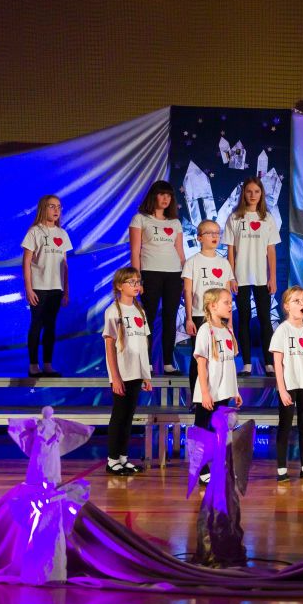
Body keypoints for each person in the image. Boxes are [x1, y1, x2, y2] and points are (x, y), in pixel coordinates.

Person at [224, 177, 281, 376]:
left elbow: (271, 250)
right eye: (249, 191)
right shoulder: (234, 218)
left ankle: (269, 363)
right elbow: (230, 251)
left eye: (257, 191)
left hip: (261, 278)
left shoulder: (267, 219)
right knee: (244, 319)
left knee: (265, 319)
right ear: (244, 194)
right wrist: (231, 277)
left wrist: (272, 277)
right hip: (240, 277)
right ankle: (246, 363)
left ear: (261, 194)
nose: (253, 195)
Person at [128, 180, 185, 375]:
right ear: (154, 196)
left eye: (169, 195)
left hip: (174, 274)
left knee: (170, 318)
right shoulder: (140, 219)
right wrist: (136, 279)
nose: (166, 199)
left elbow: (180, 251)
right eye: (162, 194)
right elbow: (135, 252)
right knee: (148, 318)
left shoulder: (175, 223)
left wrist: (185, 275)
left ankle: (168, 363)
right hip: (150, 273)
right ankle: (147, 363)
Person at [103, 267, 152, 476]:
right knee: (119, 416)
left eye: (138, 281)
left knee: (129, 416)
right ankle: (112, 459)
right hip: (122, 373)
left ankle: (123, 457)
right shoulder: (113, 311)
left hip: (136, 373)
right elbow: (109, 346)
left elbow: (143, 345)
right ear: (119, 286)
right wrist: (115, 377)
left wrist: (146, 374)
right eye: (131, 282)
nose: (136, 285)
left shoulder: (140, 311)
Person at [270, 286, 303, 482]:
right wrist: (282, 389)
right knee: (285, 426)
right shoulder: (282, 330)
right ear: (286, 306)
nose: (302, 304)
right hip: (289, 385)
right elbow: (277, 362)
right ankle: (282, 469)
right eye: (297, 301)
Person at [182, 220, 237, 401]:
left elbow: (227, 294)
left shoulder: (224, 263)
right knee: (199, 358)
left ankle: (220, 396)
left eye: (217, 233)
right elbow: (188, 292)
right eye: (210, 233)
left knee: (220, 357)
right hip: (200, 315)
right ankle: (197, 398)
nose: (215, 236)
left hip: (220, 318)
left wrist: (229, 320)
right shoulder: (192, 262)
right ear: (199, 238)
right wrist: (189, 318)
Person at [193, 288, 243, 483]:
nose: (231, 306)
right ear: (213, 306)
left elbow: (230, 364)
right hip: (209, 392)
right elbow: (201, 364)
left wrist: (235, 391)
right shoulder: (205, 330)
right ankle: (201, 470)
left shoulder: (227, 330)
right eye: (226, 302)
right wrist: (205, 393)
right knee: (202, 429)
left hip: (223, 392)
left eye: (231, 302)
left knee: (218, 431)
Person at [22, 194, 71, 378]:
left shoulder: (62, 234)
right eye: (52, 206)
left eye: (59, 206)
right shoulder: (35, 231)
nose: (56, 210)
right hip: (39, 287)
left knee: (50, 325)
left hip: (56, 288)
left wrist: (66, 290)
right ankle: (34, 365)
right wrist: (29, 288)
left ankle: (48, 364)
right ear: (43, 208)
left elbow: (64, 264)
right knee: (37, 324)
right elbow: (26, 262)